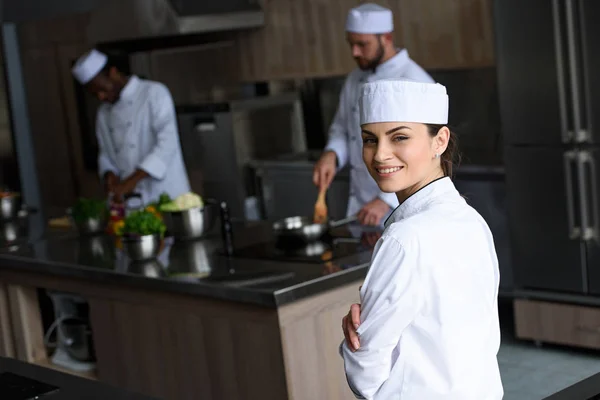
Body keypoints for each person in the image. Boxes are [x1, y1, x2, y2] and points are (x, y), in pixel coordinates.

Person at [340, 79, 503, 399]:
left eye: (399, 137)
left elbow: (365, 375)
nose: (380, 154)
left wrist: (353, 341)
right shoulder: (472, 220)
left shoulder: (404, 239)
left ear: (439, 141)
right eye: (369, 139)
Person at [313, 3, 434, 226]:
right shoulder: (354, 79)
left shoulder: (415, 81)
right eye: (351, 44)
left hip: (400, 208)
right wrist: (332, 154)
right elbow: (342, 127)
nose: (354, 53)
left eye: (362, 44)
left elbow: (428, 155)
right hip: (361, 208)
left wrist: (385, 201)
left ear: (386, 38)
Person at [72, 49, 190, 204]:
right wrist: (110, 175)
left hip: (166, 194)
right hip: (131, 202)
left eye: (102, 89)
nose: (101, 97)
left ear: (113, 73)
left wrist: (131, 181)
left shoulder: (154, 93)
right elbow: (106, 153)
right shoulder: (104, 113)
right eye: (95, 95)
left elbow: (167, 145)